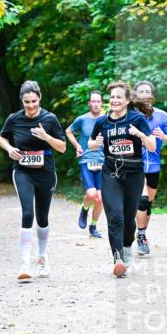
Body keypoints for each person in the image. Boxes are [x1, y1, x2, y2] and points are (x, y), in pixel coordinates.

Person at [0, 81, 67, 281]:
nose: (30, 105)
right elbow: (2, 138)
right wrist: (10, 149)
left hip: (45, 172)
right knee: (27, 213)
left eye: (34, 101)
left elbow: (62, 147)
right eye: (27, 102)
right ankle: (25, 263)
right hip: (22, 171)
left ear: (40, 99)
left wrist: (46, 137)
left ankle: (42, 256)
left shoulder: (49, 118)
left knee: (42, 217)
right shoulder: (14, 119)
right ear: (22, 100)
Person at [88, 81, 156, 277]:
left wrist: (140, 134)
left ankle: (127, 249)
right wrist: (96, 143)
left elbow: (151, 146)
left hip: (134, 173)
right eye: (112, 98)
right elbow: (91, 143)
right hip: (111, 172)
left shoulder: (137, 119)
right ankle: (117, 258)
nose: (115, 100)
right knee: (115, 216)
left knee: (128, 219)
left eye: (119, 97)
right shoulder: (102, 122)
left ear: (127, 101)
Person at [132, 81, 167, 256]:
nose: (144, 94)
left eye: (147, 91)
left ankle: (141, 234)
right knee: (142, 201)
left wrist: (165, 137)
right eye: (141, 91)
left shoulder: (161, 115)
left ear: (152, 95)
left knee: (148, 204)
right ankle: (139, 235)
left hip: (154, 165)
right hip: (134, 164)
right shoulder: (129, 114)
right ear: (135, 95)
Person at [65, 90, 106, 239]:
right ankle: (84, 208)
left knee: (100, 199)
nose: (95, 104)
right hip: (86, 159)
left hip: (104, 162)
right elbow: (68, 131)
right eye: (93, 101)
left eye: (98, 101)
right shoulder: (82, 119)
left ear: (102, 103)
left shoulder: (108, 119)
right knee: (91, 194)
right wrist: (77, 146)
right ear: (89, 103)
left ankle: (93, 226)